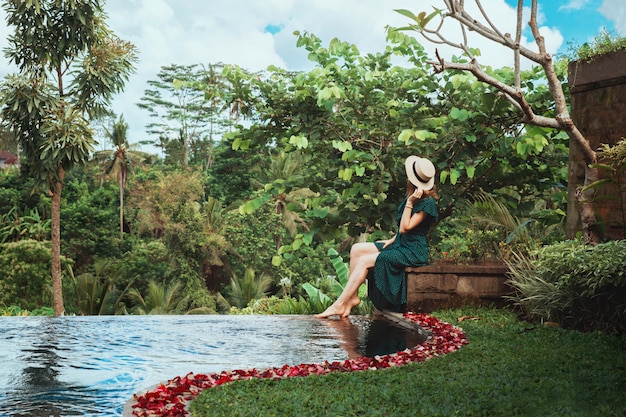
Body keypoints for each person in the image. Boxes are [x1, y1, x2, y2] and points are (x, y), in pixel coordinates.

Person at [315, 155, 439, 319]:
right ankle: (351, 298)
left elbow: (405, 228)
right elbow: (405, 232)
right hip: (401, 243)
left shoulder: (426, 203)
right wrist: (392, 240)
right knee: (357, 249)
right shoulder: (414, 196)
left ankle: (339, 304)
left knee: (365, 261)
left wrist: (410, 203)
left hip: (413, 251)